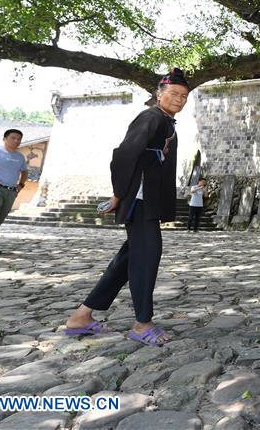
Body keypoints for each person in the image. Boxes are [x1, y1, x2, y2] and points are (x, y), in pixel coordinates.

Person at [64, 68, 190, 346]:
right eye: (174, 94)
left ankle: (81, 317)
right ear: (159, 95)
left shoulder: (166, 121)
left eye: (184, 96)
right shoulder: (150, 117)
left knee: (128, 260)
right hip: (139, 200)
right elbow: (124, 155)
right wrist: (118, 195)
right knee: (147, 256)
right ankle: (142, 324)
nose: (179, 100)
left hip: (150, 201)